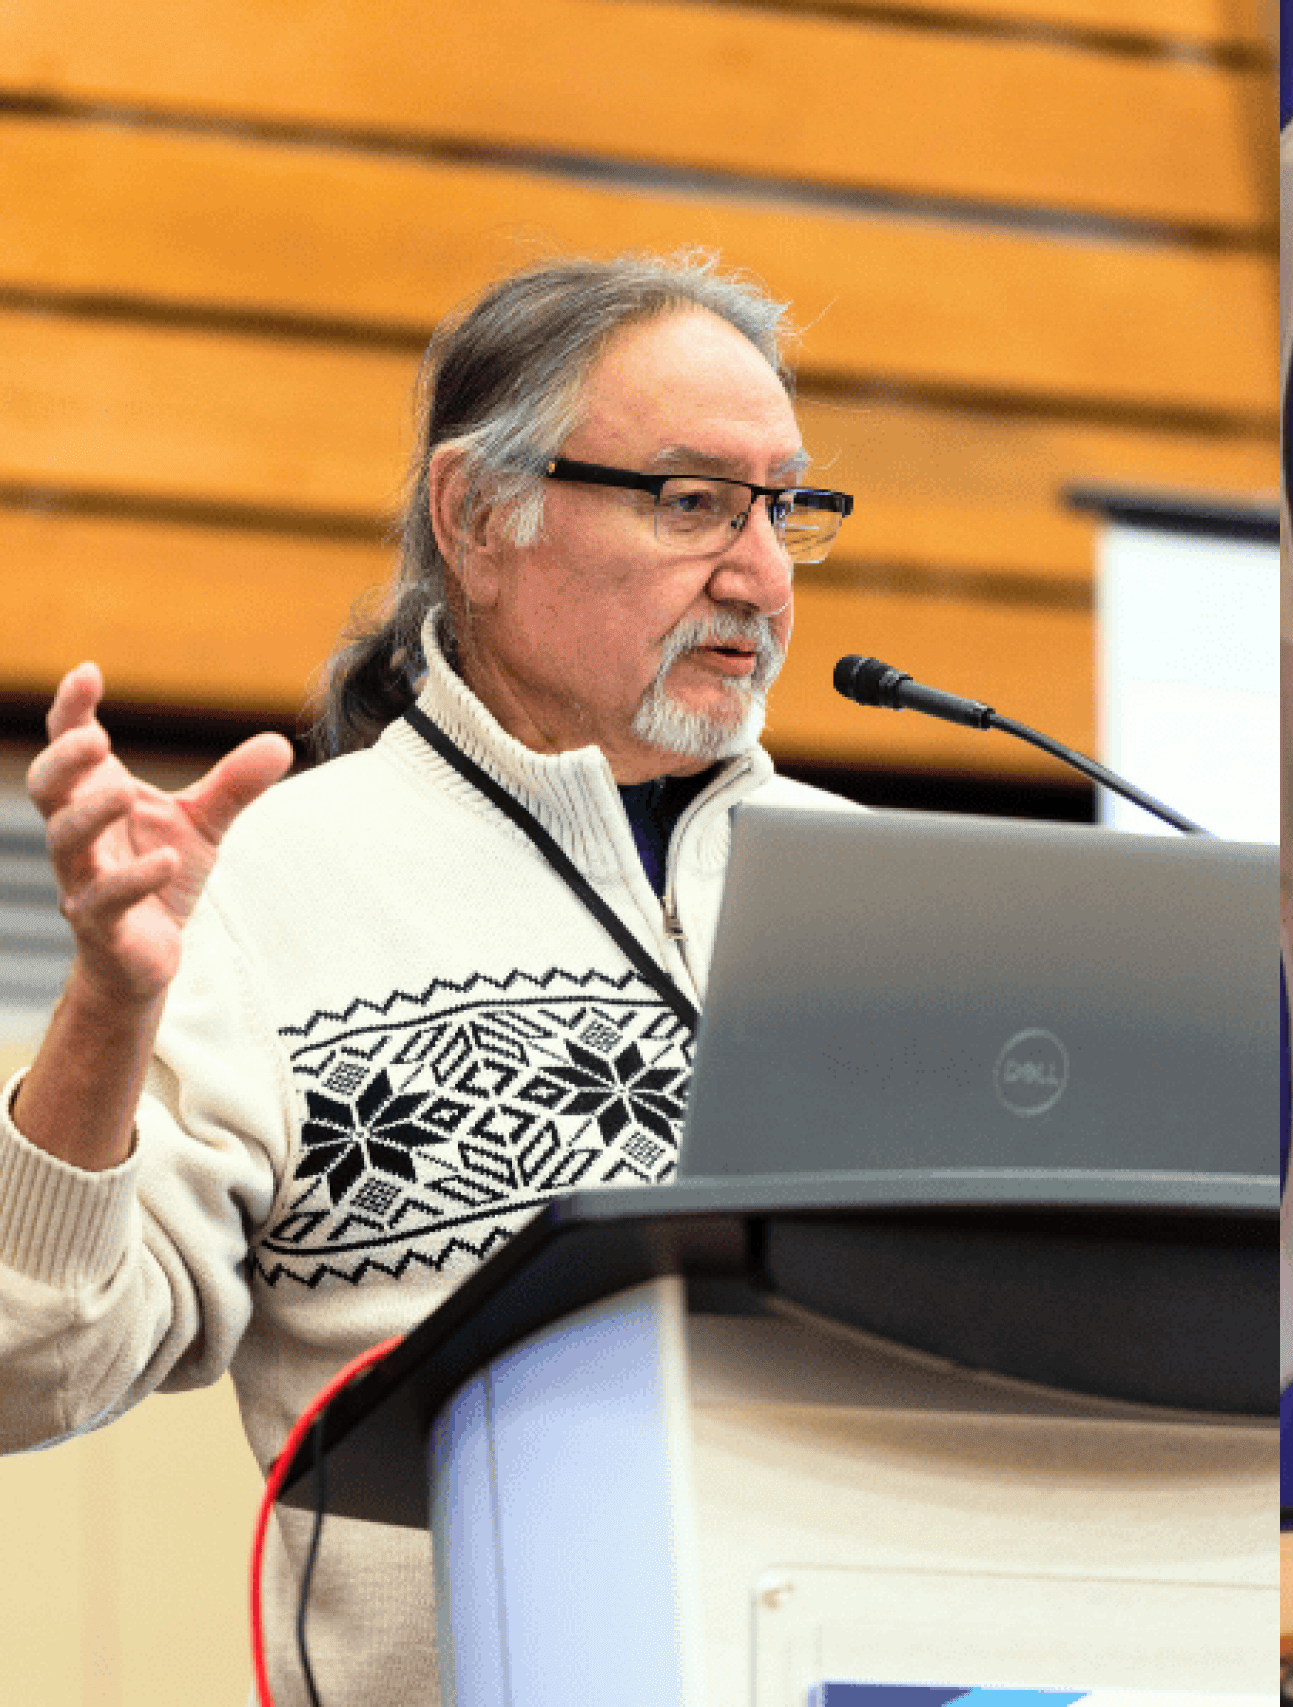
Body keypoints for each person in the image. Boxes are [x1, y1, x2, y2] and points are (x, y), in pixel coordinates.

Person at [0, 252, 859, 1707]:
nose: (761, 573)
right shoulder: (271, 882)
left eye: (784, 506)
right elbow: (30, 1369)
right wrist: (108, 1005)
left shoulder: (880, 888)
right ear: (477, 517)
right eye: (692, 501)